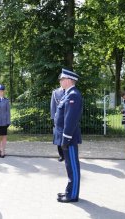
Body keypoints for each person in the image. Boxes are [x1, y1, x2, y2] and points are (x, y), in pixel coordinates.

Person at [53, 68, 82, 203]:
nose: (60, 81)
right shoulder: (67, 94)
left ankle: (73, 195)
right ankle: (69, 191)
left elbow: (70, 120)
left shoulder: (73, 95)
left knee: (73, 167)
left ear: (69, 80)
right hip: (66, 137)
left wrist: (66, 138)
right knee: (69, 166)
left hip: (68, 138)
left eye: (62, 79)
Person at [50, 86, 65, 162]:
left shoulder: (71, 92)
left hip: (68, 119)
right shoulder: (55, 93)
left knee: (68, 138)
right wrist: (53, 119)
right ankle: (61, 155)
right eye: (61, 80)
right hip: (58, 119)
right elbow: (53, 107)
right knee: (59, 138)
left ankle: (68, 154)